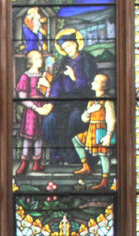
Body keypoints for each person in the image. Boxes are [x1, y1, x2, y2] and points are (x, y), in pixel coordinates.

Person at [41, 29, 96, 165]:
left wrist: (74, 77)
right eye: (65, 48)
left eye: (69, 46)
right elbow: (57, 84)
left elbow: (91, 83)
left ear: (76, 44)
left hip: (82, 100)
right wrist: (51, 102)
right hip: (64, 102)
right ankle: (57, 156)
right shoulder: (64, 61)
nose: (68, 50)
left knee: (74, 118)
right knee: (50, 120)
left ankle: (77, 158)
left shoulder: (87, 59)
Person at [72, 73, 116, 190]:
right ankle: (86, 166)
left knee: (103, 155)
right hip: (92, 129)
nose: (92, 83)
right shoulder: (92, 101)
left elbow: (111, 119)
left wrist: (108, 135)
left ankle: (105, 181)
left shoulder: (107, 101)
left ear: (104, 86)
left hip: (101, 130)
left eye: (96, 81)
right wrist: (89, 111)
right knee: (76, 140)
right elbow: (84, 119)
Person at [15, 50, 53, 176]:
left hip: (42, 109)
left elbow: (47, 95)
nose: (40, 61)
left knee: (39, 137)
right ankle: (24, 163)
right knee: (28, 138)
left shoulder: (44, 76)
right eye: (36, 58)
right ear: (30, 61)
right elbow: (22, 96)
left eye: (41, 58)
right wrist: (34, 107)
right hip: (32, 111)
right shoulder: (25, 76)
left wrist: (47, 88)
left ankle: (37, 162)